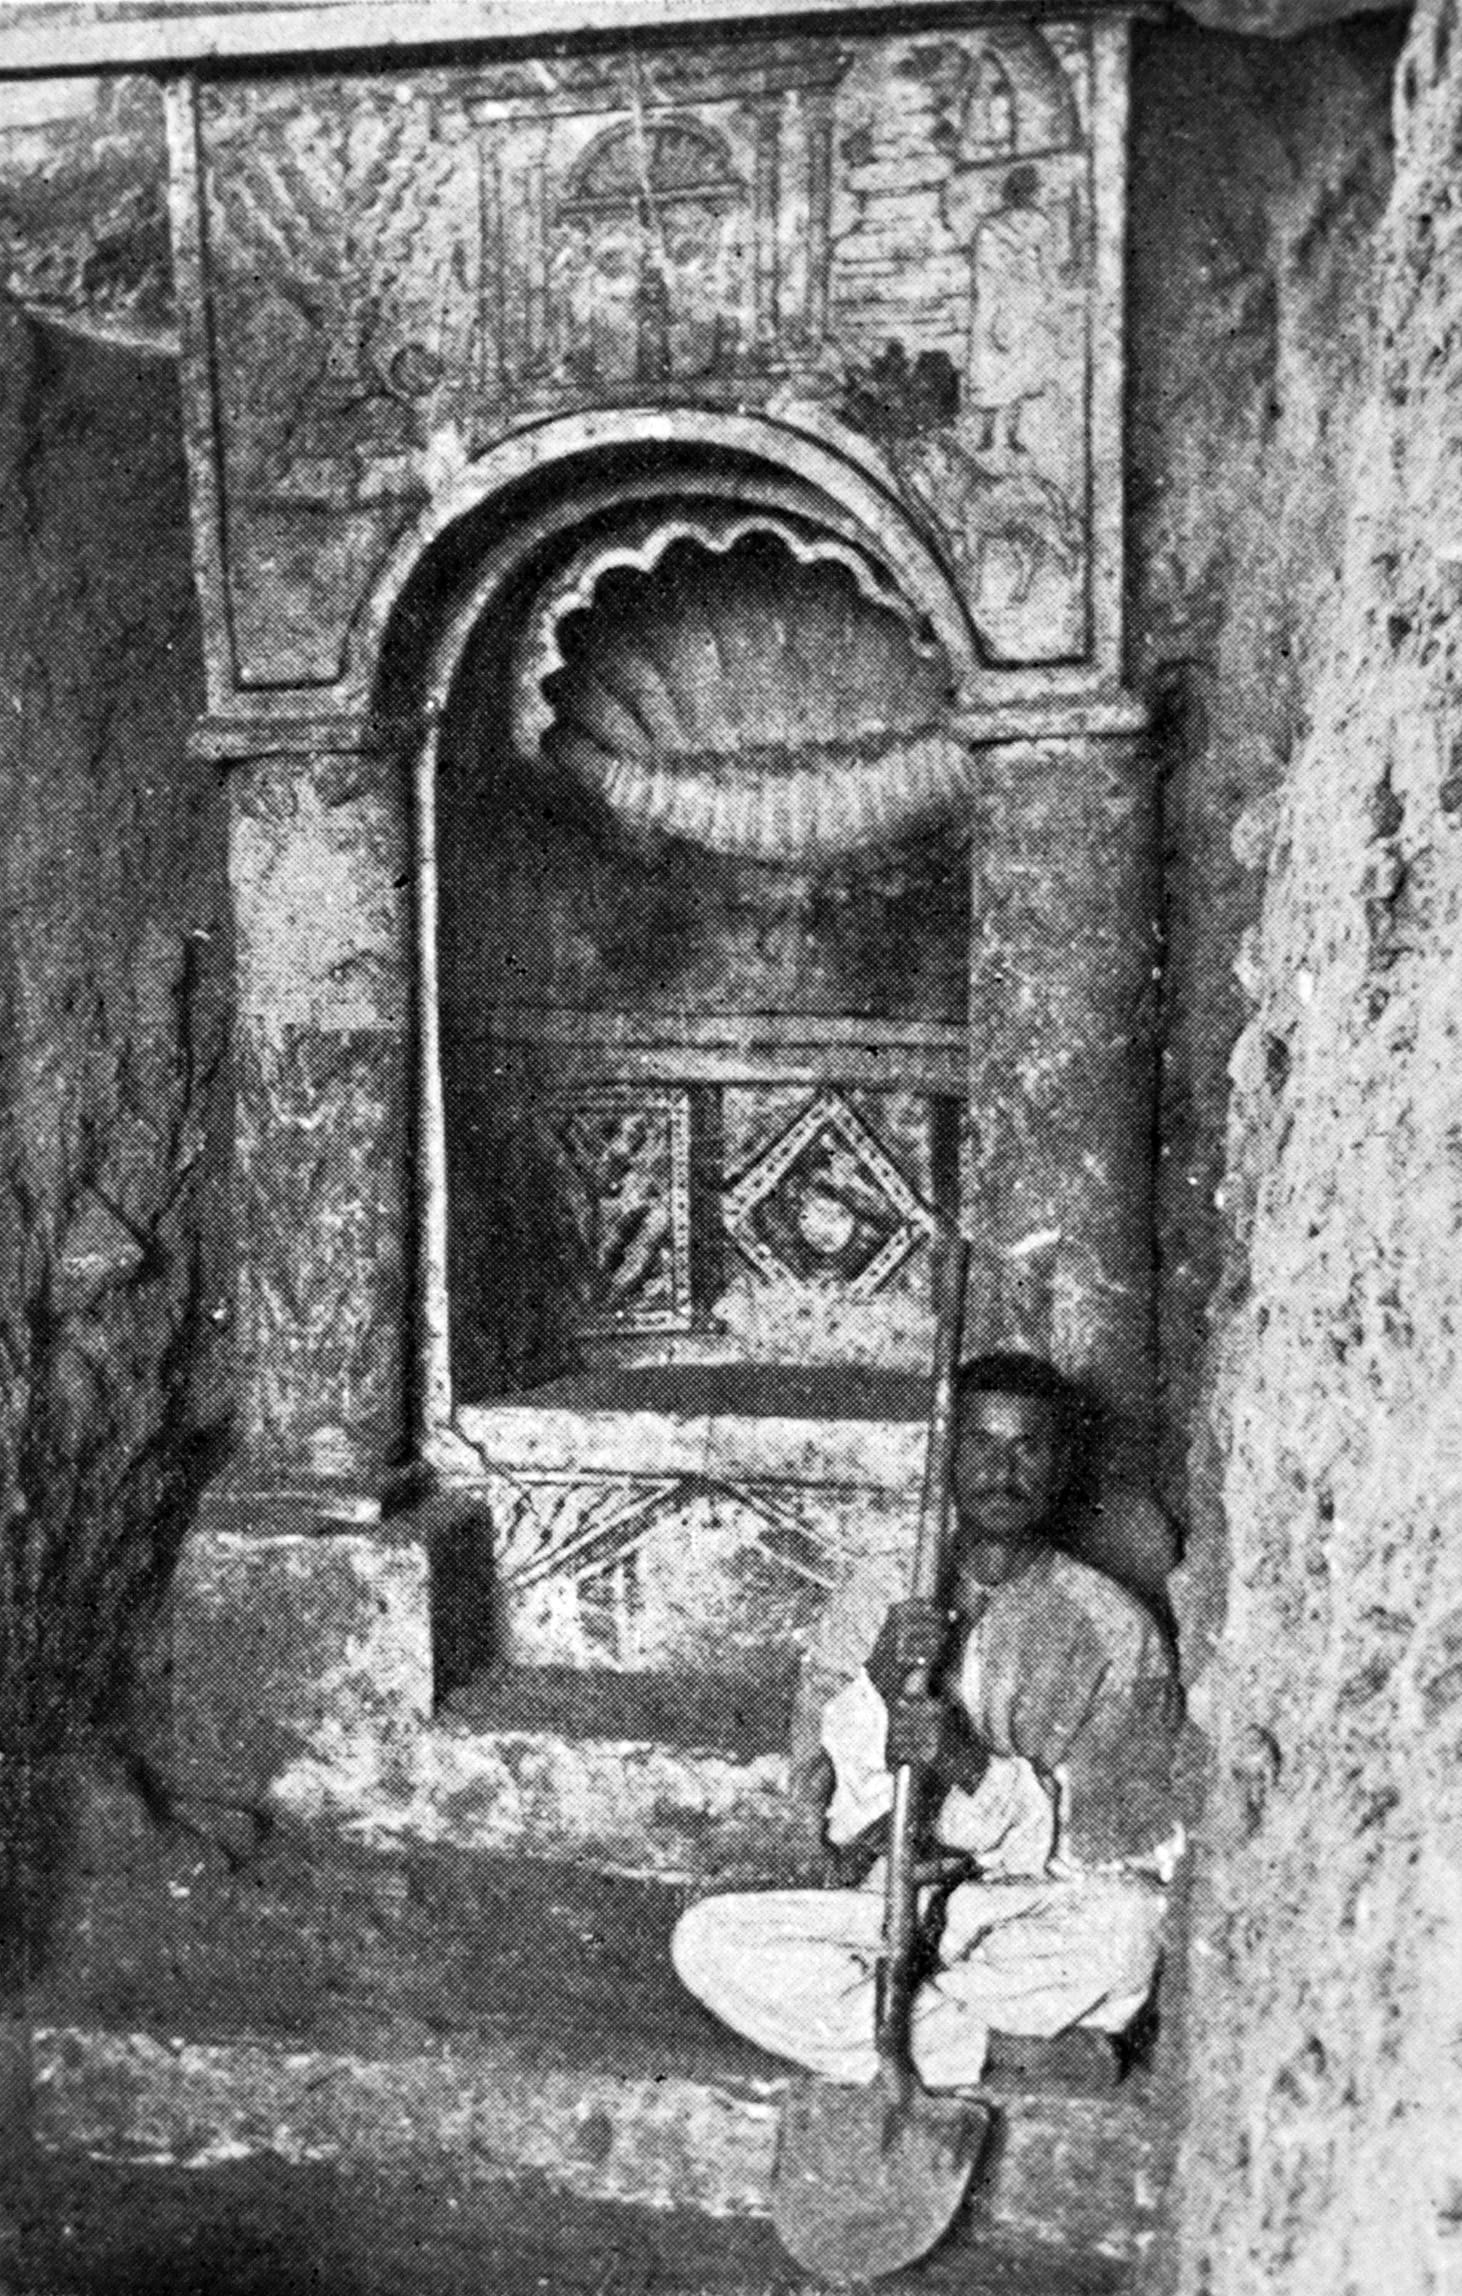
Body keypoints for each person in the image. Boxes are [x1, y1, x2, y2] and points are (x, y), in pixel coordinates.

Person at [671, 1353, 1185, 2093]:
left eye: (1028, 1447)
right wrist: (876, 1692)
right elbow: (823, 1808)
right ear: (947, 1454)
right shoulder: (877, 1592)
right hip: (885, 1901)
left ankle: (915, 2028)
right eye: (980, 1443)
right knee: (709, 1942)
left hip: (1012, 1913)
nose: (1001, 1471)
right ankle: (1002, 2050)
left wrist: (971, 1767)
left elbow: (1124, 1843)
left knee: (1132, 1928)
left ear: (1062, 1464)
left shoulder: (1115, 1629)